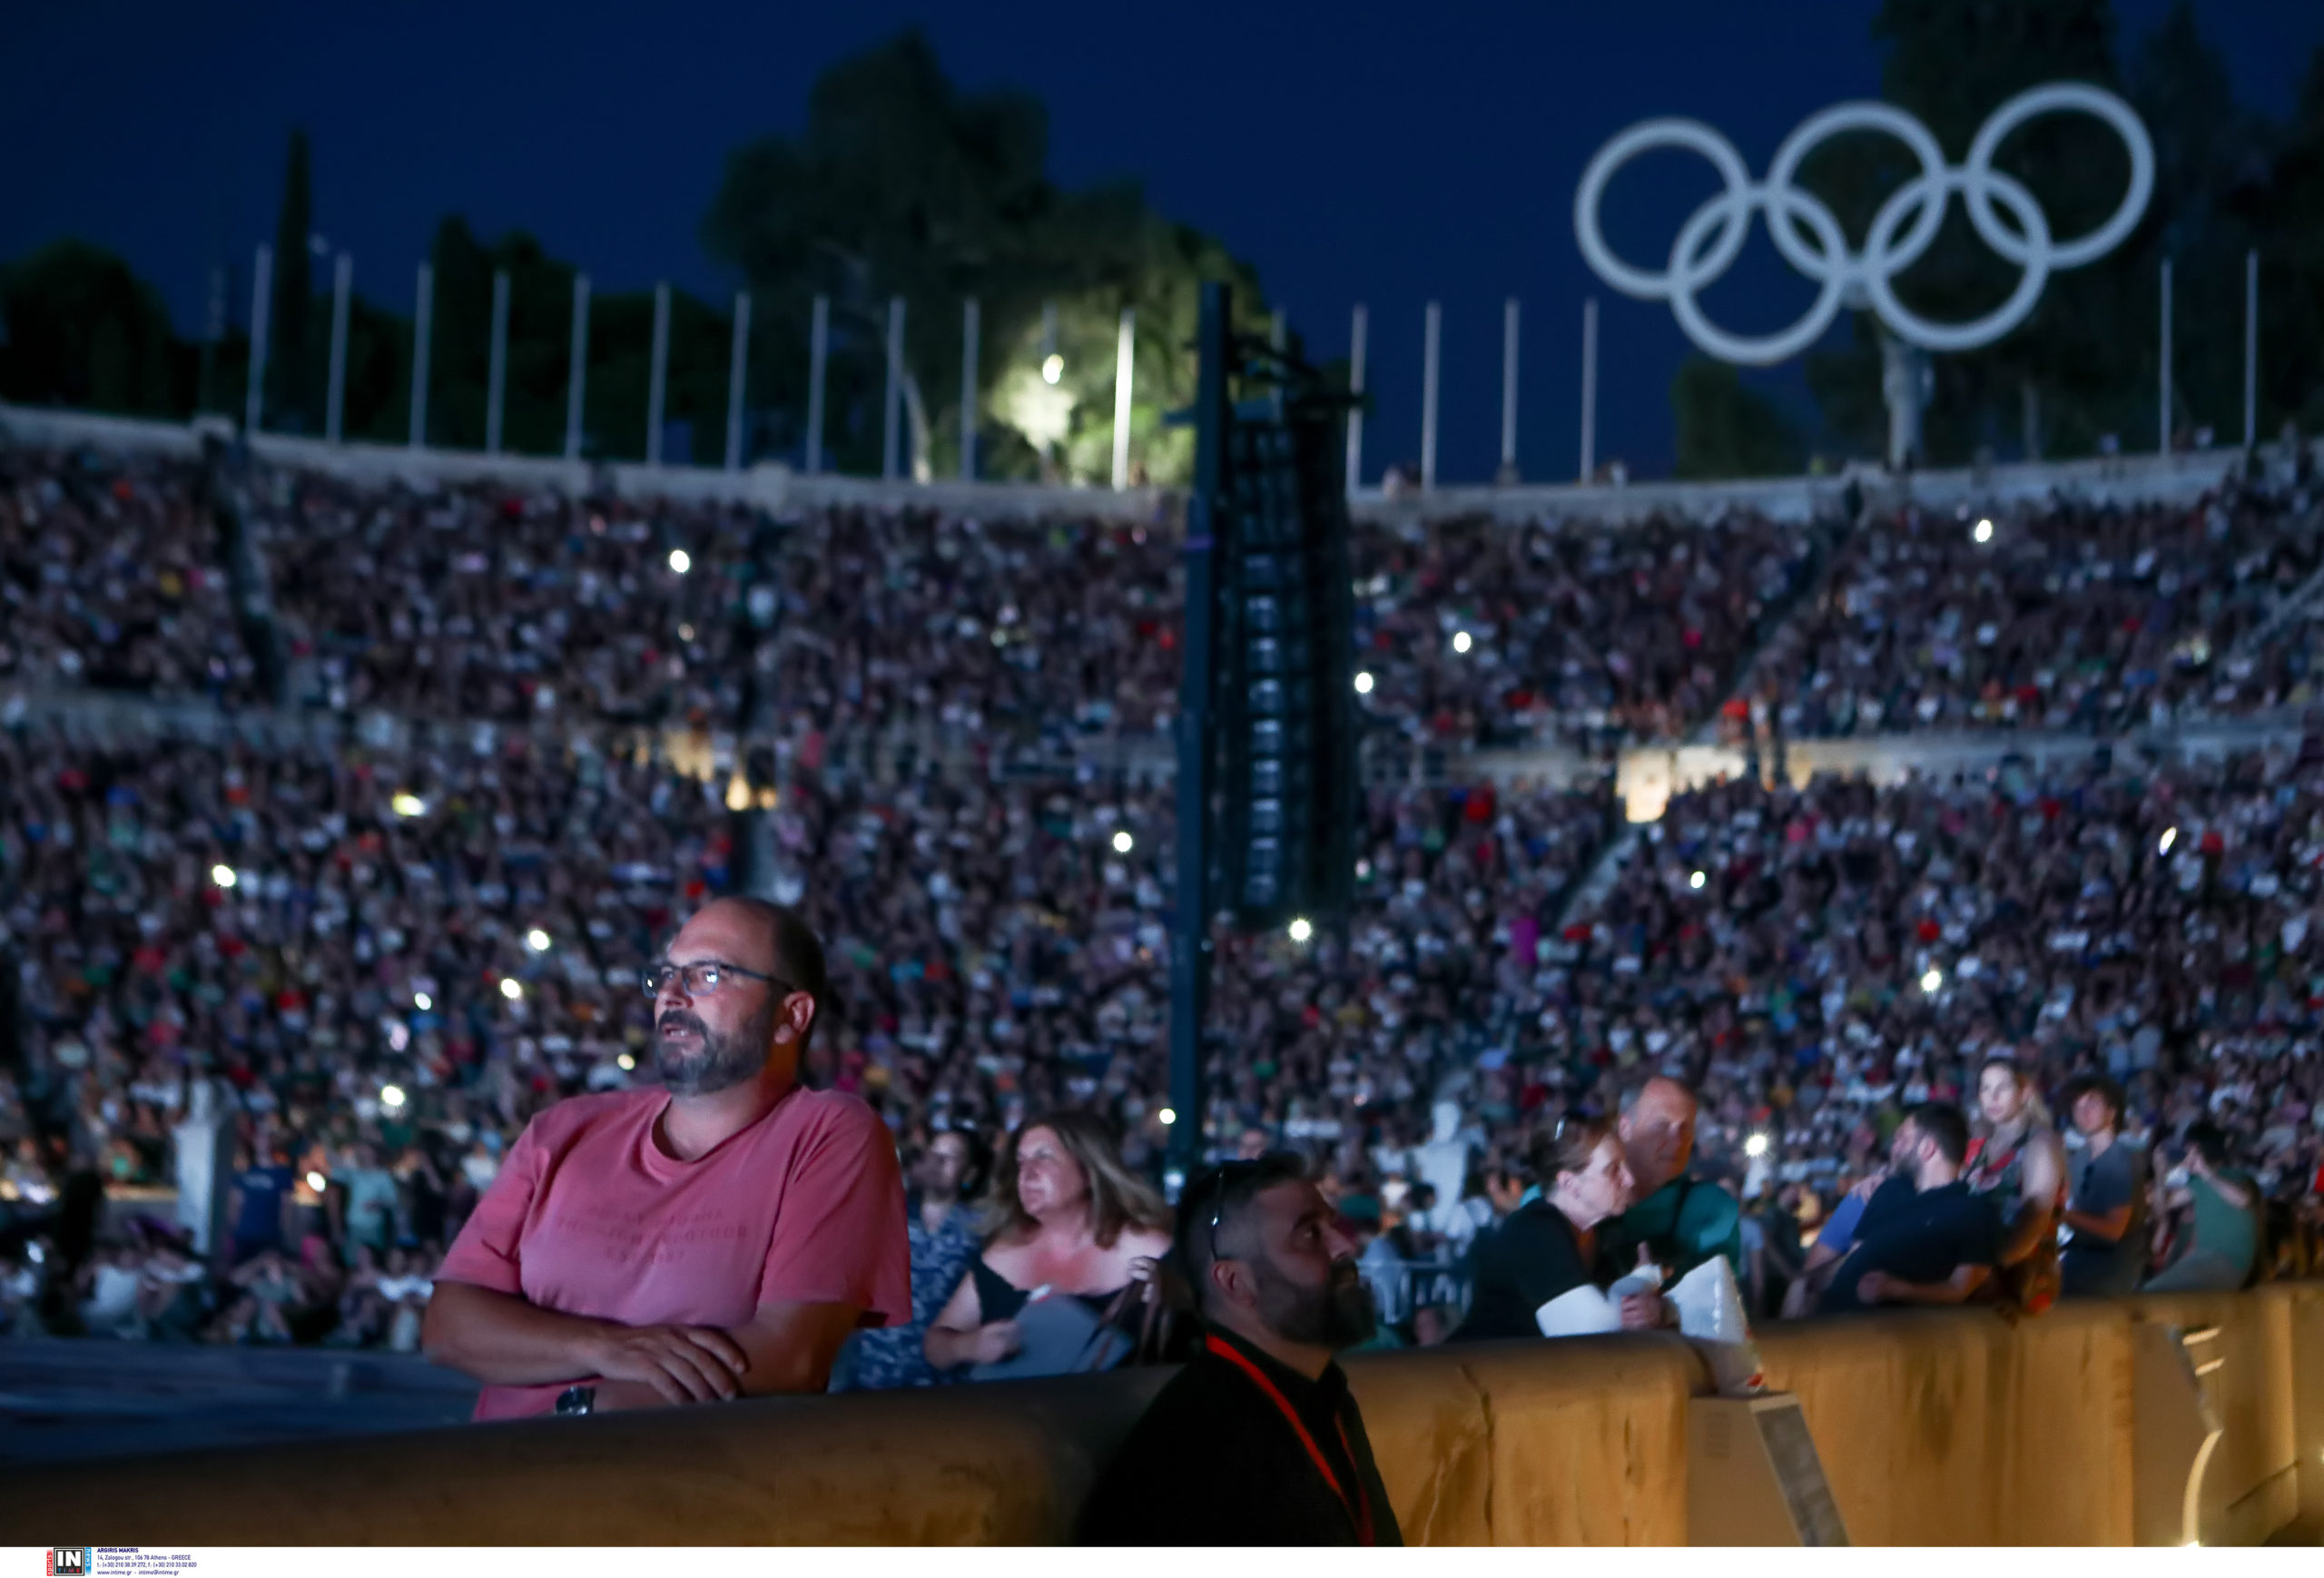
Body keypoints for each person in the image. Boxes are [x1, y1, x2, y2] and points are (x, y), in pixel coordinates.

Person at [421, 897, 911, 1419]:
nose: (671, 997)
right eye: (666, 976)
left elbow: (791, 1359)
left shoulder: (829, 1134)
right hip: (492, 1482)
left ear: (790, 1016)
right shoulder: (563, 1130)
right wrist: (603, 1348)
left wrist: (579, 1412)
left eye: (708, 975)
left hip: (665, 1484)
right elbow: (449, 1327)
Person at [1078, 1153, 1402, 1546]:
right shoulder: (1193, 1446)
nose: (1344, 1246)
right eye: (1309, 1234)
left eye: (1331, 1225)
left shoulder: (1326, 1398)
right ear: (1234, 1282)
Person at [923, 1110, 1176, 1379]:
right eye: (1021, 1162)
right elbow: (935, 1345)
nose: (1027, 1173)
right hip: (1012, 1416)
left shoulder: (1150, 1248)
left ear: (1089, 1169)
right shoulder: (1003, 1253)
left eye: (1044, 1157)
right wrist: (969, 1346)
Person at [1450, 1115, 1659, 1342]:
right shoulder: (1534, 1230)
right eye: (1613, 1170)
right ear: (1570, 1183)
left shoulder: (1603, 1234)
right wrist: (1644, 1279)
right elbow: (1593, 1330)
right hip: (1464, 1372)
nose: (1629, 1179)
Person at [841, 1128, 987, 1391]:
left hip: (938, 1383)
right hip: (873, 1368)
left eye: (951, 1156)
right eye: (934, 1153)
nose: (938, 1162)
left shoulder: (978, 1230)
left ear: (970, 1173)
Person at [1818, 1104, 2003, 1313]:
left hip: (1875, 1331)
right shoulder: (1888, 1191)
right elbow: (1853, 1255)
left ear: (1927, 1148)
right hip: (1824, 1321)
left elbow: (1961, 1288)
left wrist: (1897, 1289)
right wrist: (1809, 1282)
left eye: (1902, 1139)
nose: (1894, 1148)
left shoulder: (1972, 1211)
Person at [1598, 1077, 1744, 1282]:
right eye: (1661, 1125)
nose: (1677, 1141)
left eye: (1686, 1129)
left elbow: (1713, 1299)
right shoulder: (1579, 1197)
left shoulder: (1710, 1207)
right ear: (1625, 1127)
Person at [1965, 1058, 2068, 1315]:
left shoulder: (2040, 1144)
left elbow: (2036, 1217)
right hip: (1977, 1262)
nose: (1993, 1097)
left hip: (2020, 1272)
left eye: (2003, 1088)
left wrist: (1993, 1267)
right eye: (1986, 1089)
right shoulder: (1977, 1148)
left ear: (2024, 1094)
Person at [2060, 1075, 2150, 1299]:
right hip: (2078, 1259)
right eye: (2077, 1105)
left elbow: (2114, 1229)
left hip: (2109, 1267)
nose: (2083, 1111)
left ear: (2112, 1112)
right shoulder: (2079, 1158)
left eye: (2092, 1103)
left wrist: (2063, 1215)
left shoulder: (2119, 1160)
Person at [2142, 1123, 2259, 1293]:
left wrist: (2204, 1170)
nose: (2185, 1156)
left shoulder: (2235, 1176)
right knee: (2150, 1290)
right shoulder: (2196, 1185)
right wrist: (2160, 1175)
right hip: (2203, 1259)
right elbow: (2162, 1207)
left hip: (2228, 1261)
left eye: (2188, 1150)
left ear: (2200, 1151)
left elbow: (2242, 1200)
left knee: (2157, 1292)